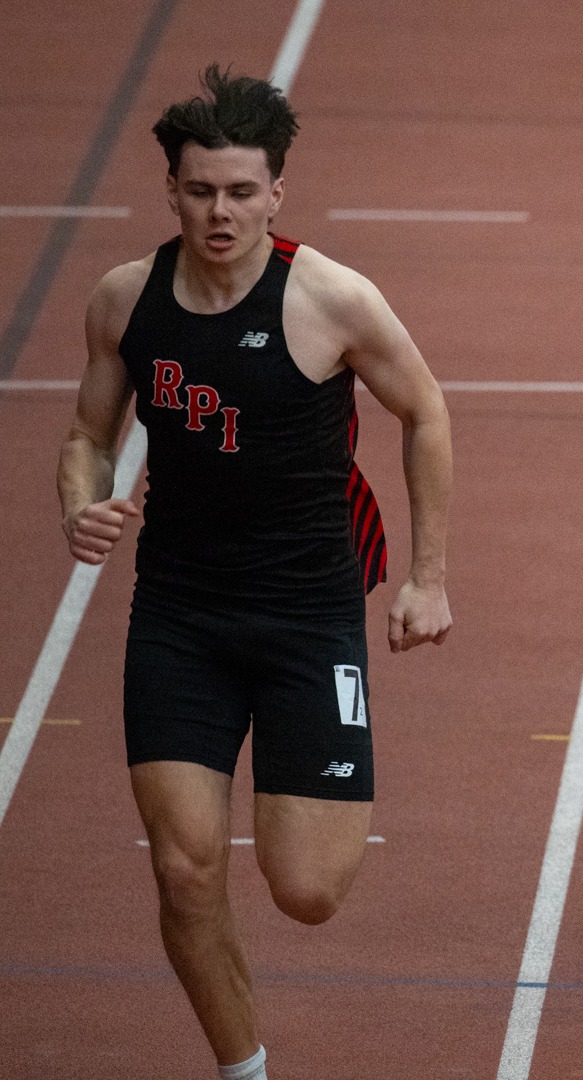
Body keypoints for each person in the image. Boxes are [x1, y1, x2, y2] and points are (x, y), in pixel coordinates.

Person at [57, 65, 452, 1080]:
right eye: (200, 191)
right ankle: (245, 1069)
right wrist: (81, 499)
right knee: (186, 871)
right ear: (173, 191)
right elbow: (87, 435)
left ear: (276, 190)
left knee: (308, 891)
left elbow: (427, 412)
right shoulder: (126, 302)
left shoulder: (331, 299)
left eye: (241, 192)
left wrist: (427, 574)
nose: (220, 211)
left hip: (310, 617)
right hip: (178, 618)